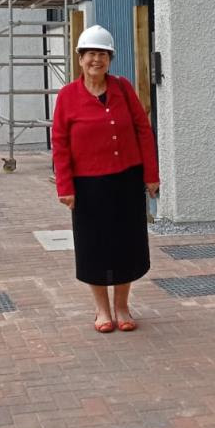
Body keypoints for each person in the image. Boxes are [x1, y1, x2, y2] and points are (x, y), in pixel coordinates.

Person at [51, 25, 160, 333]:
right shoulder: (67, 96)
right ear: (80, 58)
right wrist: (65, 187)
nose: (96, 60)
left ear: (110, 58)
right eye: (90, 54)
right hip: (88, 185)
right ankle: (101, 310)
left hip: (126, 179)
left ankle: (122, 306)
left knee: (126, 243)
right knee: (94, 246)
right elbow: (59, 143)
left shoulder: (123, 88)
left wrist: (151, 175)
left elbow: (143, 131)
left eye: (102, 54)